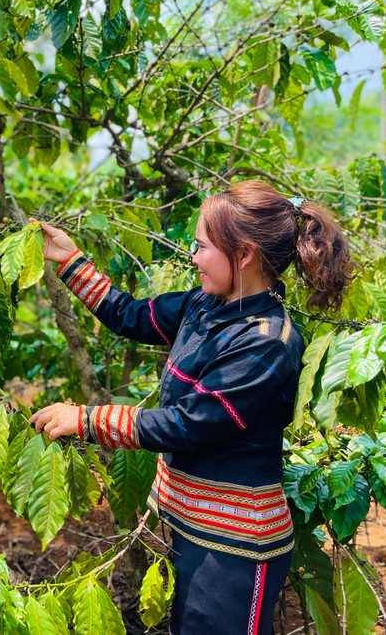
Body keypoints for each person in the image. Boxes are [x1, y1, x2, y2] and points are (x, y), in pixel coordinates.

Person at [30, 180, 356, 634]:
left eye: (202, 247)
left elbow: (192, 424)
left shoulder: (266, 341)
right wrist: (68, 259)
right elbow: (131, 315)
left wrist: (86, 419)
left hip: (236, 545)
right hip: (197, 529)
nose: (193, 257)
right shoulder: (206, 305)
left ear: (243, 255)